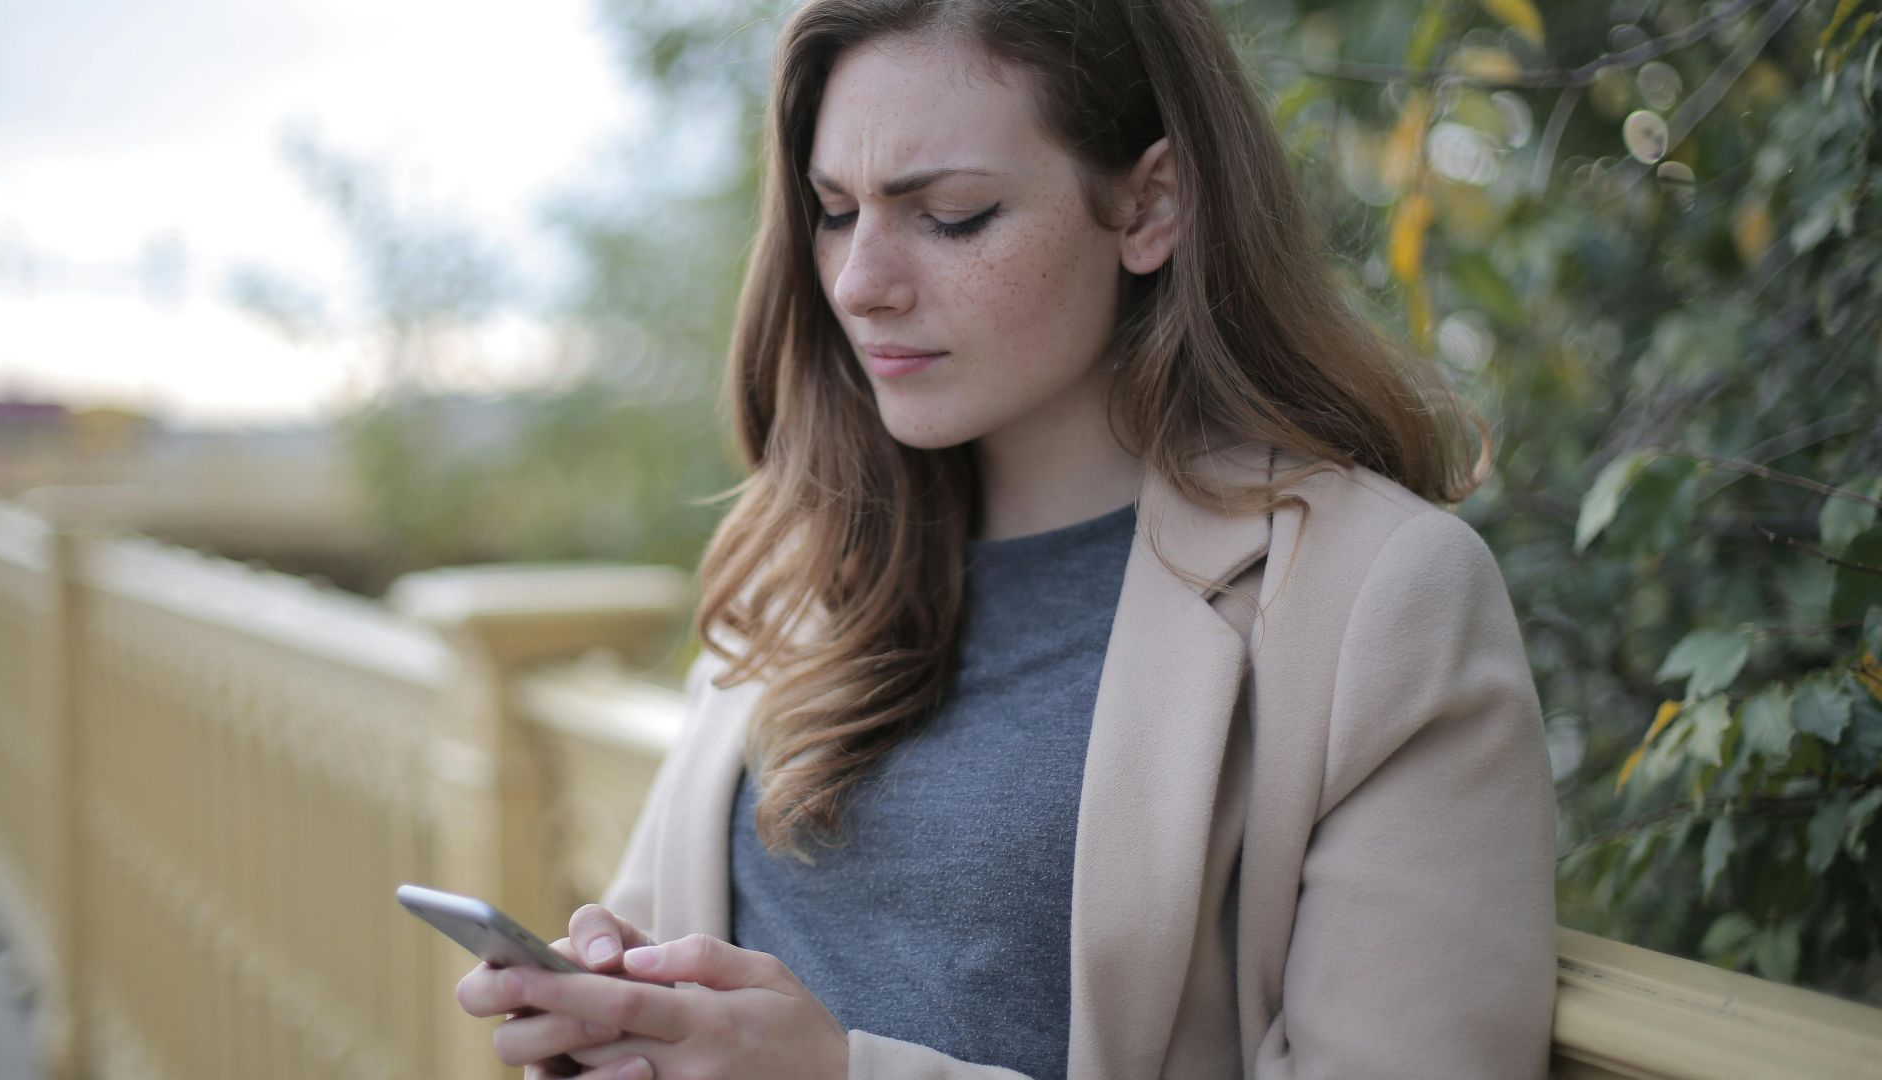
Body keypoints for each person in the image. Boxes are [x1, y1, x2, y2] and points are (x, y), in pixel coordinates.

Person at [455, 0, 1559, 1076]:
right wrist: (607, 1009)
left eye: (951, 216)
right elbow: (674, 955)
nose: (860, 283)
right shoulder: (807, 567)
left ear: (1150, 206)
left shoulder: (1378, 599)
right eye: (835, 211)